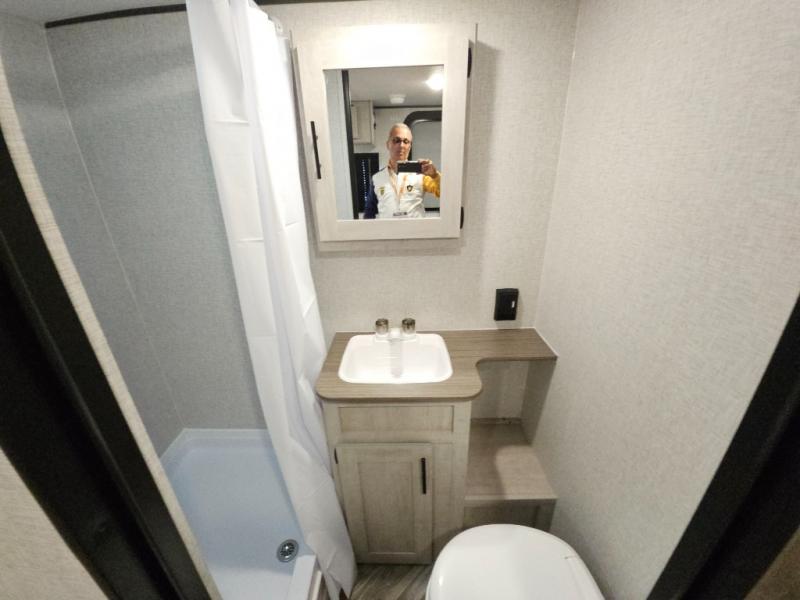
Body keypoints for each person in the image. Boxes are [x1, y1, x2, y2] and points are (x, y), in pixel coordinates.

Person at [363, 123, 441, 219]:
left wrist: (435, 175)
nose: (401, 145)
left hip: (416, 229)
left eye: (406, 141)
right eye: (396, 140)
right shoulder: (377, 178)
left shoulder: (421, 174)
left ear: (410, 147)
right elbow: (369, 213)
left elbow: (445, 193)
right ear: (388, 144)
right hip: (388, 229)